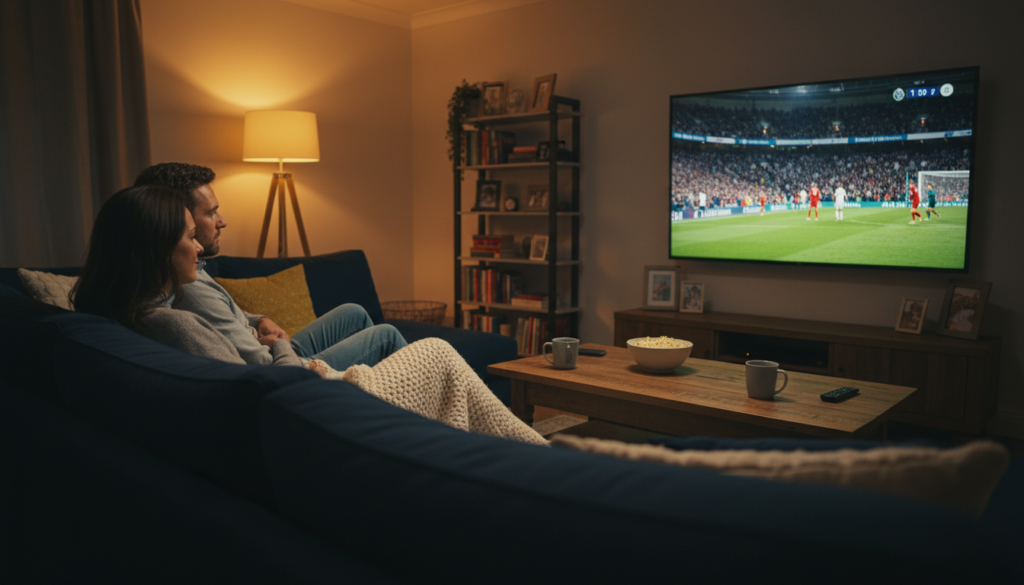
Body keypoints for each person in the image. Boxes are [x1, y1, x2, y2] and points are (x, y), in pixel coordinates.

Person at [73, 185, 546, 446]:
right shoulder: (176, 321)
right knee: (436, 351)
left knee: (367, 319)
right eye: (189, 235)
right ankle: (498, 448)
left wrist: (260, 326)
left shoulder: (141, 313)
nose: (201, 243)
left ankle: (488, 440)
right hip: (307, 404)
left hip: (290, 386)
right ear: (154, 248)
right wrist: (280, 346)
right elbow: (268, 387)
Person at [133, 163, 407, 372]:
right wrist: (279, 346)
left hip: (268, 349)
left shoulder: (189, 268)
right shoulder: (188, 288)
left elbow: (230, 315)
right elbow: (264, 369)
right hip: (279, 364)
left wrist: (259, 320)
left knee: (354, 313)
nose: (222, 221)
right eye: (210, 213)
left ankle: (377, 389)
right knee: (386, 336)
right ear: (175, 220)